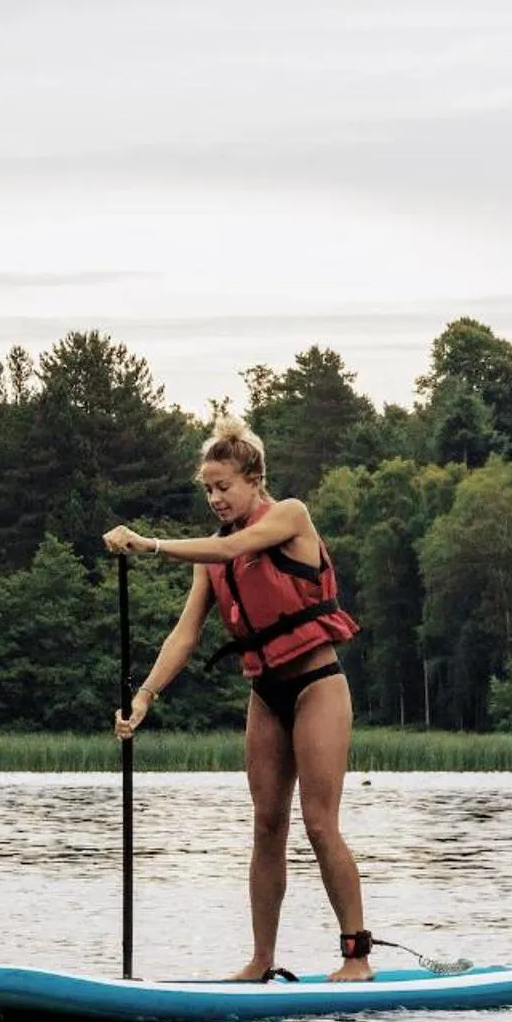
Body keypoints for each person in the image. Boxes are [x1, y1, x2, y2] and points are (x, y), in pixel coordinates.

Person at [104, 414, 371, 983]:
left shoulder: (289, 515)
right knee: (266, 824)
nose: (215, 498)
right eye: (207, 488)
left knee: (320, 824)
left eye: (224, 486)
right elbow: (186, 633)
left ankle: (356, 956)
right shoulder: (214, 554)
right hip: (266, 694)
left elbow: (241, 547)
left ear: (253, 479)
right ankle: (260, 960)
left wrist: (148, 544)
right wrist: (145, 696)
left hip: (317, 685)